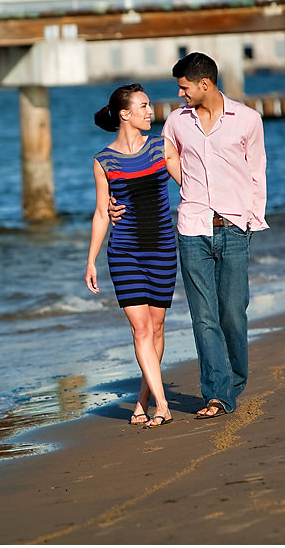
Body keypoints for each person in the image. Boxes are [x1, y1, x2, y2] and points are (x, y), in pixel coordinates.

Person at [112, 53, 268, 419]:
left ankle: (233, 379)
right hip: (192, 229)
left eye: (183, 87)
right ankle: (216, 394)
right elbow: (153, 164)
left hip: (233, 228)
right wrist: (115, 202)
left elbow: (258, 173)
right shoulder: (177, 124)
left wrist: (250, 220)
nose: (179, 94)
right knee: (204, 316)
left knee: (232, 313)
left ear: (204, 84)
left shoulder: (247, 120)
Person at [86, 83, 182, 428]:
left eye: (149, 105)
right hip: (124, 250)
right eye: (142, 106)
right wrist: (91, 260)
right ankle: (163, 404)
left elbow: (188, 182)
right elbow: (100, 213)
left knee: (156, 328)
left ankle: (142, 399)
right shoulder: (104, 161)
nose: (149, 111)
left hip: (161, 248)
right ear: (124, 114)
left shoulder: (160, 146)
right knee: (140, 330)